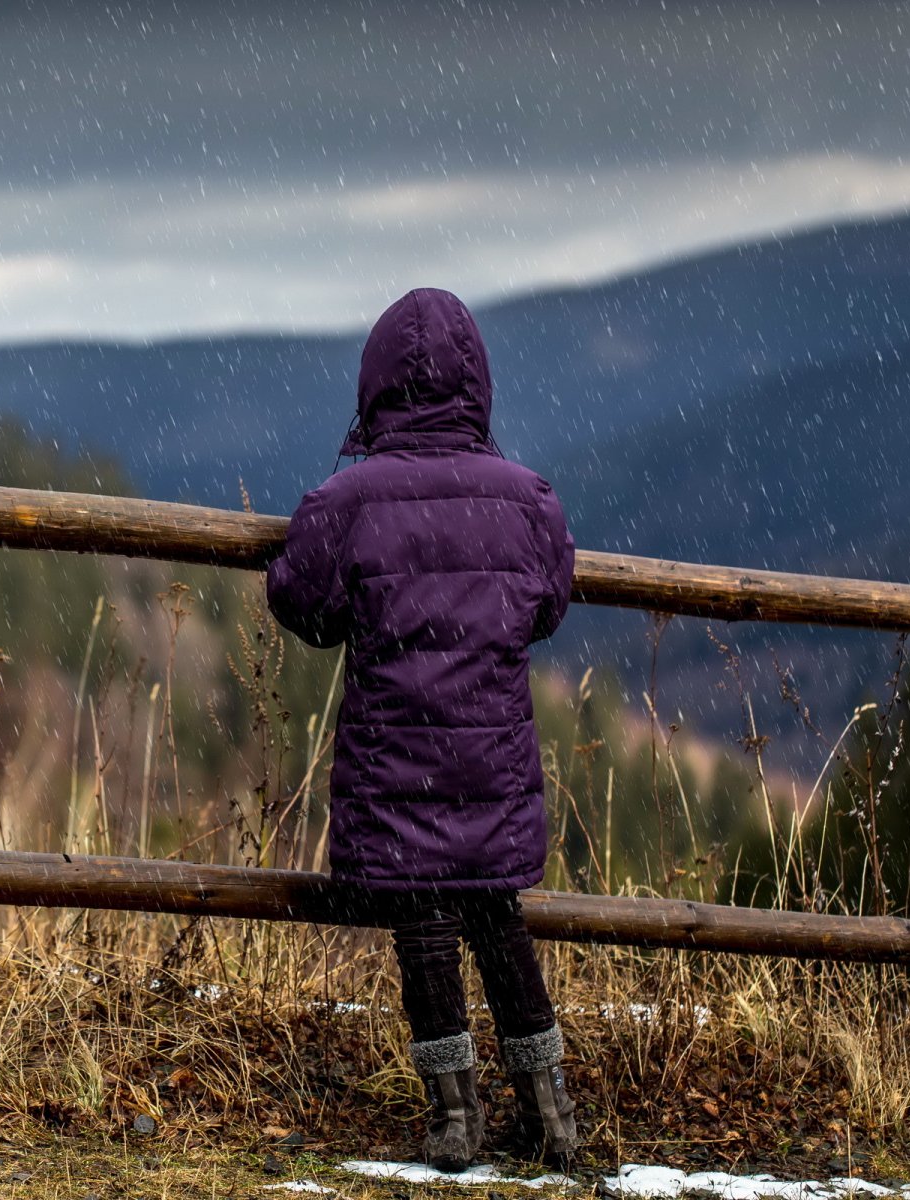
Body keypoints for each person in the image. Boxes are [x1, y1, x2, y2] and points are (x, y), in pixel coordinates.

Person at [266, 288, 579, 1172]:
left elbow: (307, 603)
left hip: (395, 753)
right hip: (490, 750)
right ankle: (550, 1112)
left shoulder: (347, 500)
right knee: (496, 917)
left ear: (375, 389)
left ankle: (455, 1117)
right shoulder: (527, 500)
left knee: (424, 927)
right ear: (475, 386)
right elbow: (546, 605)